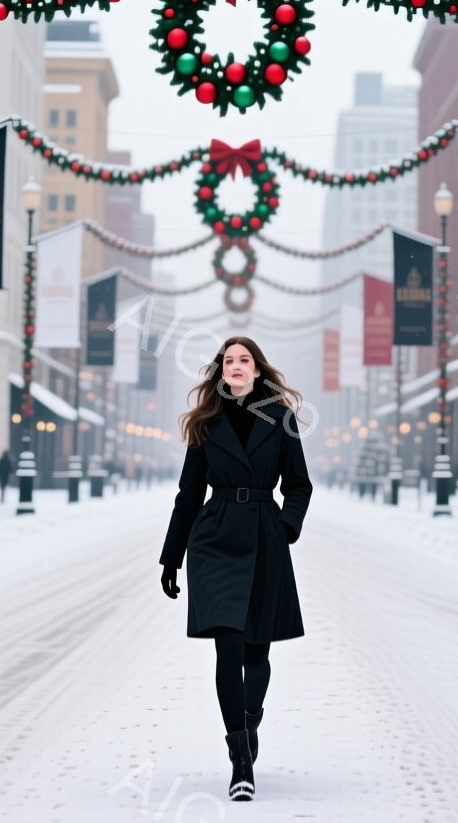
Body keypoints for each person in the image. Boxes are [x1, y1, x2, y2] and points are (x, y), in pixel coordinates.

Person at [159, 336, 312, 803]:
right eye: (230, 360)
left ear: (257, 369)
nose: (237, 366)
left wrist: (285, 526)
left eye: (245, 360)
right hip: (216, 538)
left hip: (265, 535)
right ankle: (240, 759)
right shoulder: (206, 423)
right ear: (221, 370)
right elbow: (189, 493)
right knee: (227, 648)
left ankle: (249, 721)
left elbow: (300, 486)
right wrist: (172, 555)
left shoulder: (280, 419)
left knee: (255, 654)